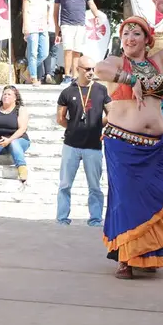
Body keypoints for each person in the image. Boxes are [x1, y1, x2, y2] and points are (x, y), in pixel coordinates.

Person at [94, 0, 163, 279]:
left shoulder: (158, 63)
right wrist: (130, 79)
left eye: (136, 33)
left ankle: (148, 255)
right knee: (126, 199)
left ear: (147, 39)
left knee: (154, 198)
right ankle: (125, 256)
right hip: (123, 145)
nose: (130, 38)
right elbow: (99, 69)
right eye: (125, 34)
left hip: (157, 146)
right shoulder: (116, 62)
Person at [56, 55, 111, 226]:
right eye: (87, 69)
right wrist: (73, 127)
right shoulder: (67, 91)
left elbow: (111, 113)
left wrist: (97, 125)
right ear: (78, 69)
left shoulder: (101, 90)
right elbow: (60, 118)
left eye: (93, 69)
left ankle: (95, 219)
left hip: (93, 145)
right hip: (71, 145)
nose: (91, 72)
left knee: (95, 186)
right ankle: (62, 218)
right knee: (65, 184)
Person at [54, 0, 101, 85]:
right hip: (66, 24)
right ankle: (67, 76)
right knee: (67, 49)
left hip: (80, 24)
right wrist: (57, 27)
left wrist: (97, 16)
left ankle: (75, 76)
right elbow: (56, 10)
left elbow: (91, 3)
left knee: (77, 51)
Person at [22, 0, 52, 86]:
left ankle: (28, 71)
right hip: (32, 26)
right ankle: (34, 77)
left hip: (43, 26)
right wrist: (25, 26)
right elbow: (25, 10)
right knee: (33, 53)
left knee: (44, 53)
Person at [37, 0, 58, 84]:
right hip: (54, 30)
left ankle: (41, 76)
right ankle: (50, 74)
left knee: (42, 53)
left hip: (43, 30)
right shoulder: (55, 3)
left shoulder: (39, 3)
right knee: (52, 53)